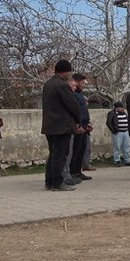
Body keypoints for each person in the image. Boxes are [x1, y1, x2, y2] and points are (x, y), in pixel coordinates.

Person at [41, 59, 81, 191]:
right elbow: (72, 104)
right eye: (69, 71)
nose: (70, 74)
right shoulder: (62, 85)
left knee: (53, 154)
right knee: (60, 155)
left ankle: (50, 181)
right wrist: (78, 120)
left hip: (50, 125)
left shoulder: (48, 84)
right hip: (62, 126)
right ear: (65, 71)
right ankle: (58, 183)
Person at [70, 73, 93, 182]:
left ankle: (78, 171)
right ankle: (73, 172)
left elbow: (84, 112)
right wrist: (78, 124)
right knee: (76, 150)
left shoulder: (80, 95)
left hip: (84, 127)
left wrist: (87, 123)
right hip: (78, 127)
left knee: (81, 150)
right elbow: (75, 111)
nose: (84, 85)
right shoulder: (74, 95)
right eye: (82, 83)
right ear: (77, 82)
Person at [106, 101, 130, 167]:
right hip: (118, 133)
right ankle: (117, 160)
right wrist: (113, 130)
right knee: (117, 147)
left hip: (126, 132)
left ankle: (128, 160)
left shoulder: (124, 113)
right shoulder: (112, 113)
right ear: (116, 108)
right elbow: (108, 123)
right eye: (121, 107)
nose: (122, 109)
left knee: (127, 146)